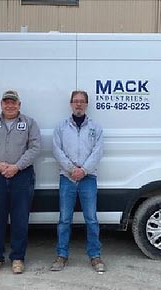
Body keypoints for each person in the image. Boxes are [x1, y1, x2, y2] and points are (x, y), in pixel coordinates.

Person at [0, 90, 41, 274]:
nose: (10, 105)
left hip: (22, 175)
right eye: (6, 102)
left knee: (20, 219)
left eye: (13, 102)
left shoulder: (29, 123)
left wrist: (17, 166)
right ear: (1, 104)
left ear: (19, 105)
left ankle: (18, 258)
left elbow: (35, 147)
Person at [50, 90, 105, 273]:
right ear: (71, 104)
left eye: (82, 101)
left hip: (88, 178)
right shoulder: (61, 127)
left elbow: (97, 151)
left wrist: (84, 170)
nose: (78, 104)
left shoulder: (95, 127)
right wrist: (71, 169)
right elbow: (57, 150)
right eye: (75, 101)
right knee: (64, 220)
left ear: (87, 104)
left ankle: (95, 256)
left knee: (91, 219)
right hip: (67, 178)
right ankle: (62, 255)